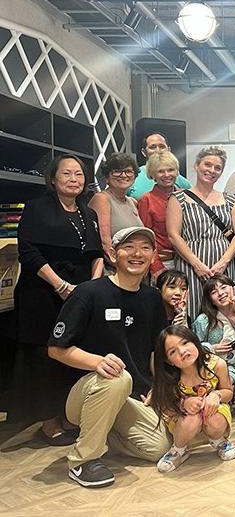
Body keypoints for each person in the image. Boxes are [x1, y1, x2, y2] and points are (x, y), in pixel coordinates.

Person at [47, 227, 170, 488]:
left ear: (153, 255)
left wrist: (158, 388)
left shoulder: (152, 298)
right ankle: (82, 461)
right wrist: (96, 362)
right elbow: (56, 348)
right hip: (86, 393)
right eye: (129, 247)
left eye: (145, 248)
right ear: (113, 254)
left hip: (130, 396)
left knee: (158, 447)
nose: (137, 254)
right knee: (116, 377)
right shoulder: (88, 293)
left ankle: (100, 433)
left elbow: (154, 352)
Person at [11, 155, 103, 444]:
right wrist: (60, 285)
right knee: (43, 356)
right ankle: (48, 421)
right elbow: (28, 251)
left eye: (79, 174)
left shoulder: (88, 213)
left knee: (70, 353)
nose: (74, 179)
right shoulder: (37, 208)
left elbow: (96, 254)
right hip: (41, 291)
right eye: (67, 174)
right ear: (53, 178)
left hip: (79, 293)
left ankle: (66, 414)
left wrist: (92, 287)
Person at [166, 146, 235, 319]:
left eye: (217, 168)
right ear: (196, 165)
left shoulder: (231, 199)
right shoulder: (178, 198)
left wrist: (224, 262)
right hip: (190, 265)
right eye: (207, 165)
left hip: (223, 265)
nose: (212, 170)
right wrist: (196, 264)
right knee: (192, 309)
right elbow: (173, 234)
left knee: (227, 312)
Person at [150, 326, 235, 473]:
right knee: (192, 419)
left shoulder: (217, 364)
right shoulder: (170, 376)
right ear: (169, 361)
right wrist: (183, 404)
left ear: (195, 341)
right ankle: (178, 450)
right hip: (183, 418)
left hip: (212, 411)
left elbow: (228, 392)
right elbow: (165, 403)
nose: (182, 351)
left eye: (185, 343)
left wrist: (216, 395)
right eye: (173, 352)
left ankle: (219, 441)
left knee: (215, 419)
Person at [191, 275, 235, 393]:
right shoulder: (203, 320)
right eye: (214, 292)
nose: (221, 293)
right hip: (210, 367)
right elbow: (192, 348)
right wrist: (211, 348)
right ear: (210, 299)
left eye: (223, 287)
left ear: (233, 289)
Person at [89, 152, 144, 258]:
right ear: (107, 177)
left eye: (128, 171)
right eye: (117, 171)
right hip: (114, 266)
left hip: (134, 262)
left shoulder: (132, 202)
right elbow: (104, 241)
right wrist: (116, 262)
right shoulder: (102, 199)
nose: (123, 175)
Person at [137, 151, 183, 276]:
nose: (167, 175)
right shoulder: (146, 200)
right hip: (164, 262)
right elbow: (145, 237)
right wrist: (156, 267)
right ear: (152, 175)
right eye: (161, 171)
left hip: (189, 260)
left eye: (171, 170)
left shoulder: (187, 197)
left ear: (177, 171)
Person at [127, 132, 191, 200]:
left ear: (169, 150)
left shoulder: (182, 182)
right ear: (144, 152)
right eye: (152, 147)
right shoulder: (133, 177)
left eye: (162, 146)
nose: (158, 150)